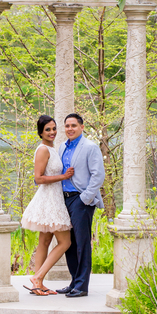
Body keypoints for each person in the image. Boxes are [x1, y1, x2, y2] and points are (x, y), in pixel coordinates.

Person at [21, 115, 74, 296]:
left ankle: (38, 284)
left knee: (44, 241)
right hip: (49, 199)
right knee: (65, 241)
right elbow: (38, 178)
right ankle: (38, 277)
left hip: (54, 196)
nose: (52, 132)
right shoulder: (43, 150)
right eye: (48, 130)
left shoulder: (53, 148)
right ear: (41, 132)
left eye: (54, 128)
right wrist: (63, 177)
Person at [56, 113, 105, 298]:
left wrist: (85, 198)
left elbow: (98, 175)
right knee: (69, 243)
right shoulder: (62, 147)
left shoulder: (90, 148)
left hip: (81, 199)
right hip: (64, 199)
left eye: (73, 125)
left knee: (82, 243)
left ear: (82, 127)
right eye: (67, 125)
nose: (70, 128)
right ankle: (74, 281)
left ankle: (82, 286)